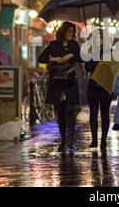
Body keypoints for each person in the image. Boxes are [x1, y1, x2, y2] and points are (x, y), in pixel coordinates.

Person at [38, 21, 83, 152]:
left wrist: (72, 55)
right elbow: (41, 58)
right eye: (69, 31)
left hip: (69, 81)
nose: (71, 34)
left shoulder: (74, 45)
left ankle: (71, 140)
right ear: (62, 31)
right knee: (60, 112)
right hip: (57, 82)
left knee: (70, 111)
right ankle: (63, 140)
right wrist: (54, 59)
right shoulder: (53, 44)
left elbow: (81, 58)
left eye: (73, 32)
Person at [85, 30, 113, 151]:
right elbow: (88, 68)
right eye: (96, 38)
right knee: (93, 112)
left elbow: (113, 68)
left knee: (105, 113)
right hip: (93, 86)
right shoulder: (91, 52)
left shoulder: (110, 52)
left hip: (105, 86)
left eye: (100, 38)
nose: (98, 40)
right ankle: (94, 139)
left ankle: (103, 140)